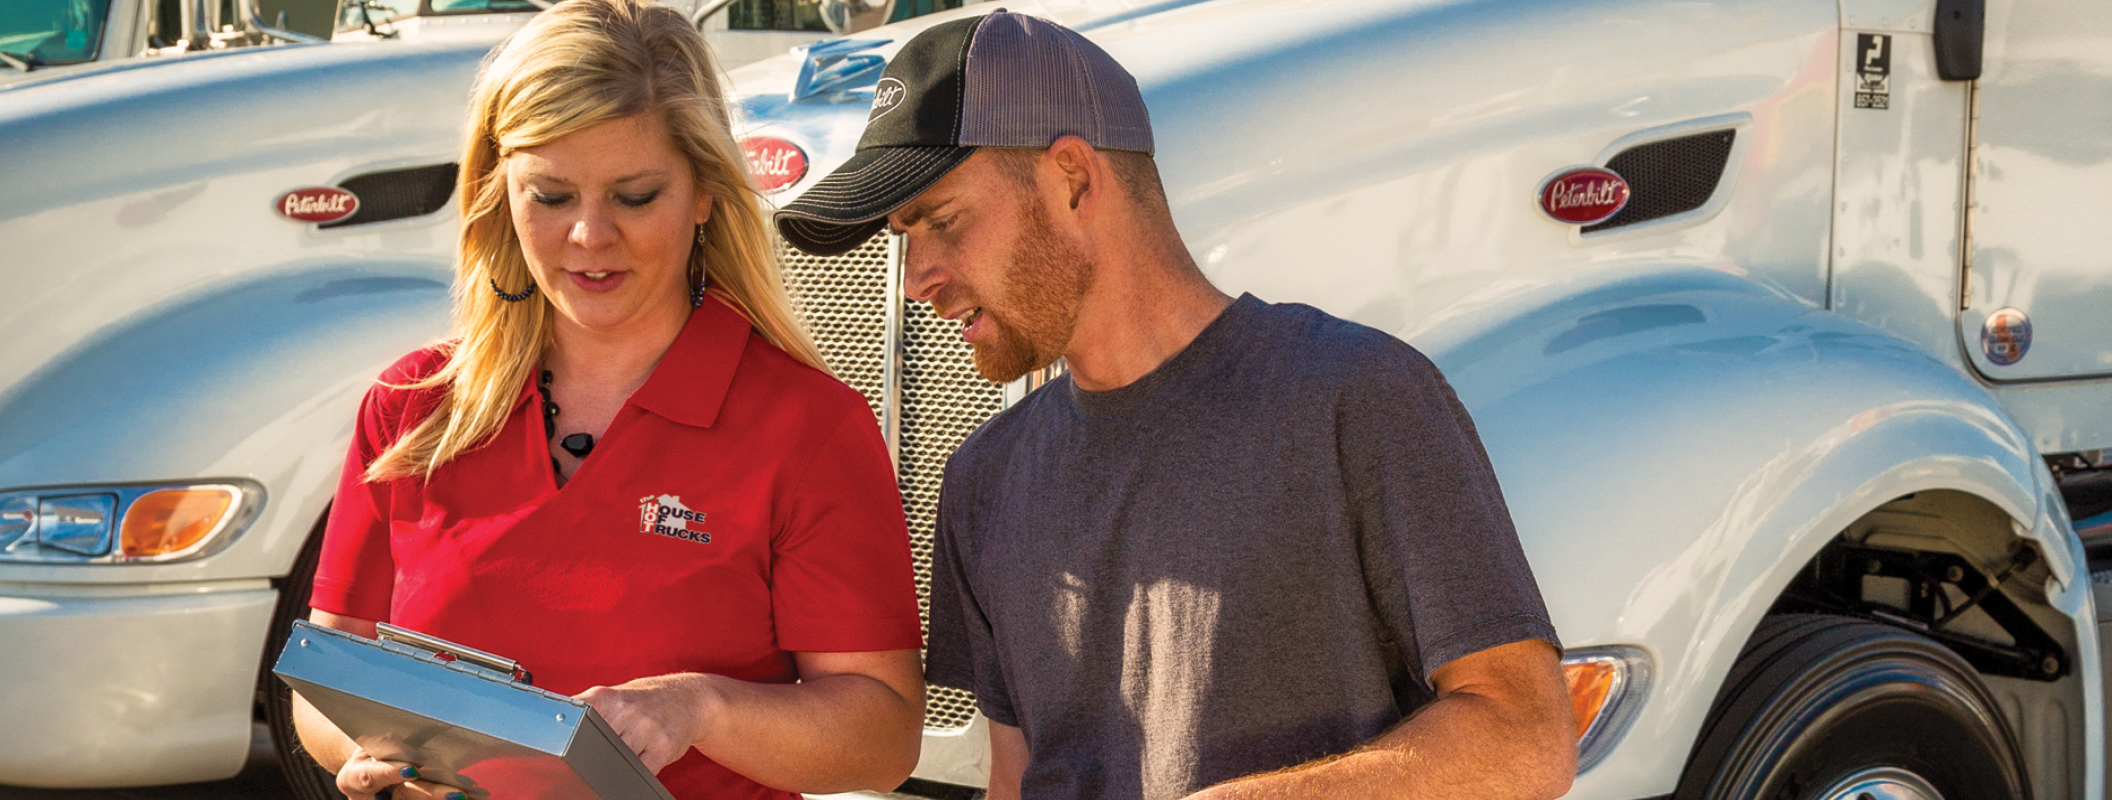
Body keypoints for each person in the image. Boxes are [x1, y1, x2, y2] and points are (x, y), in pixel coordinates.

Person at [775, 11, 1578, 800]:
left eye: (943, 222)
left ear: (1074, 180)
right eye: (904, 239)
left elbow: (1527, 738)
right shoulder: (985, 481)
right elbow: (1016, 778)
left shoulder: (1355, 397)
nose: (917, 280)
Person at [292, 1, 927, 797]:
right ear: (497, 192)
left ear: (705, 193)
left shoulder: (807, 426)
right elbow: (325, 682)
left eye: (634, 196)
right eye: (552, 197)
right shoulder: (411, 408)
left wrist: (703, 708)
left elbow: (882, 737)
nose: (591, 235)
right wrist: (368, 757)